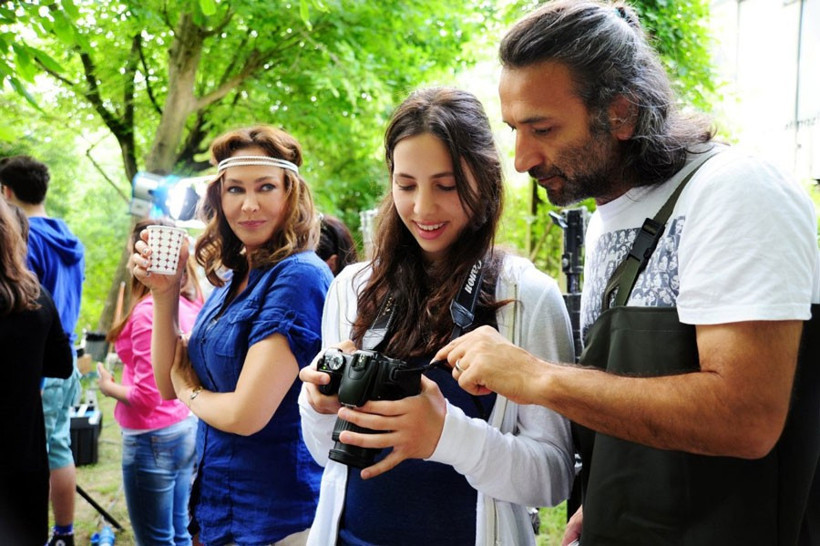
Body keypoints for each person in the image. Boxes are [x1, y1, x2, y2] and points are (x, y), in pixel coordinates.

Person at [433, 2, 820, 545]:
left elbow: (746, 417)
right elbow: (637, 406)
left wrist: (539, 378)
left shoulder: (735, 193)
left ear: (622, 113)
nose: (520, 159)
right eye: (515, 129)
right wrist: (605, 501)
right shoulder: (606, 220)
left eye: (542, 128)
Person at [299, 87, 576, 545]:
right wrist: (319, 406)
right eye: (406, 185)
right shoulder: (352, 287)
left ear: (485, 180)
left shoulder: (528, 297)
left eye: (446, 186)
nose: (423, 208)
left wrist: (445, 434)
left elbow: (552, 478)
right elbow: (326, 455)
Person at [131, 125, 332, 545]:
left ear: (290, 193)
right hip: (216, 506)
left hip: (277, 518)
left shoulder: (298, 276)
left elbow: (245, 414)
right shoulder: (232, 279)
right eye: (235, 190)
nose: (249, 205)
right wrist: (164, 292)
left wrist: (191, 393)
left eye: (265, 187)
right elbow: (167, 381)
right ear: (219, 198)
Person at [96, 218, 203, 545]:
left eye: (136, 251)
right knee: (178, 531)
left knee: (156, 539)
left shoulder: (148, 313)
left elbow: (149, 394)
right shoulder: (190, 304)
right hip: (182, 428)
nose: (132, 260)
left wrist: (107, 386)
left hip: (153, 437)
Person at [0, 155, 85, 546]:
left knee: (39, 452)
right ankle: (64, 531)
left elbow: (18, 300)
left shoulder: (21, 237)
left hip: (32, 367)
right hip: (61, 350)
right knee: (58, 446)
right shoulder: (70, 239)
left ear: (6, 192)